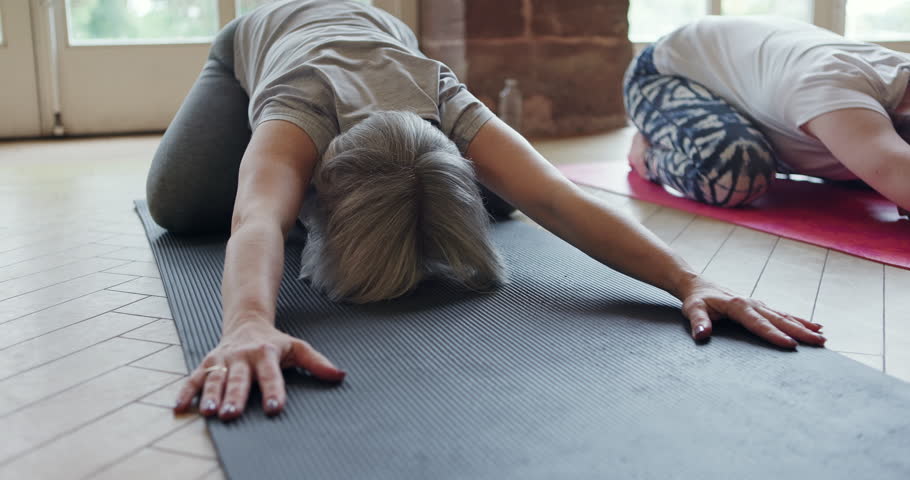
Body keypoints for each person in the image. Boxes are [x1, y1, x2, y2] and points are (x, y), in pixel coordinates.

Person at [147, 1, 826, 422]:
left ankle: (450, 185)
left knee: (517, 188)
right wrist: (246, 324)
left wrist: (690, 281)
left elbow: (558, 198)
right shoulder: (300, 109)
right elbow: (258, 220)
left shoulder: (441, 95)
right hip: (262, 37)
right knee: (179, 204)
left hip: (384, 34)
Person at [623, 15, 910, 218]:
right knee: (734, 173)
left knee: (869, 163)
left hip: (755, 72)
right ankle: (648, 153)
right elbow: (894, 169)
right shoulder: (834, 88)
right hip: (667, 71)